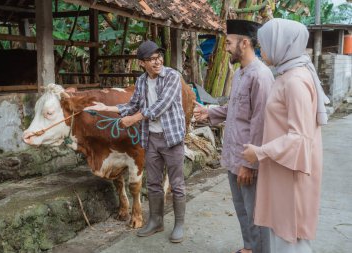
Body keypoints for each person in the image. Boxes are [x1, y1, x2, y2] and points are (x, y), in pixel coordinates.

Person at [84, 40, 187, 243]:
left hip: (172, 138)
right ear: (141, 63)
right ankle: (156, 221)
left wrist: (134, 119)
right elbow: (132, 105)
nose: (157, 62)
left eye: (159, 57)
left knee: (177, 184)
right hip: (150, 138)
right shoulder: (141, 81)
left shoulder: (173, 77)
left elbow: (160, 106)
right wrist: (105, 108)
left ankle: (179, 225)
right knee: (154, 182)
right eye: (151, 59)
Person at [242, 18, 329, 253]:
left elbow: (299, 137)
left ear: (281, 44)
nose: (261, 50)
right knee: (282, 234)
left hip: (291, 171)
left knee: (291, 239)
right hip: (283, 167)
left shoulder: (295, 81)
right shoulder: (287, 74)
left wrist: (259, 152)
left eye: (264, 44)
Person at [194, 20, 274, 253]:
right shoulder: (240, 73)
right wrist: (208, 112)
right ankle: (249, 247)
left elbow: (261, 123)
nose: (226, 47)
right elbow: (234, 109)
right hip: (233, 154)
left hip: (247, 158)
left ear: (245, 43)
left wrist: (250, 164)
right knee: (241, 208)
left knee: (255, 211)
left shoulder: (261, 76)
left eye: (229, 43)